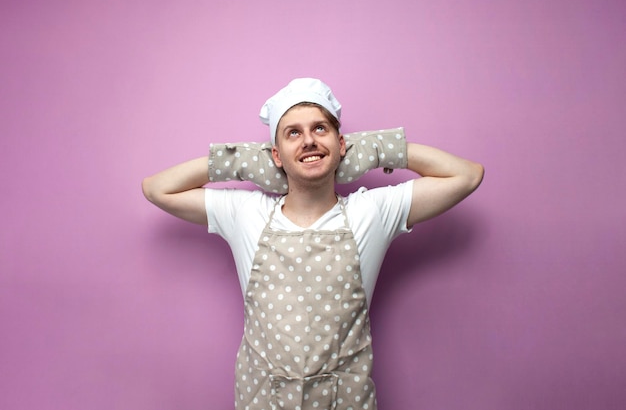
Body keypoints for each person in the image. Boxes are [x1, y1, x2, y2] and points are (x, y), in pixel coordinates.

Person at [142, 78, 484, 410]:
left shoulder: (372, 213)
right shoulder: (246, 213)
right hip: (262, 400)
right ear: (275, 155)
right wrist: (244, 161)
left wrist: (375, 149)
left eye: (320, 129)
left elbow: (466, 175)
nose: (308, 141)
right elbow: (157, 188)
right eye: (294, 133)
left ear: (341, 144)